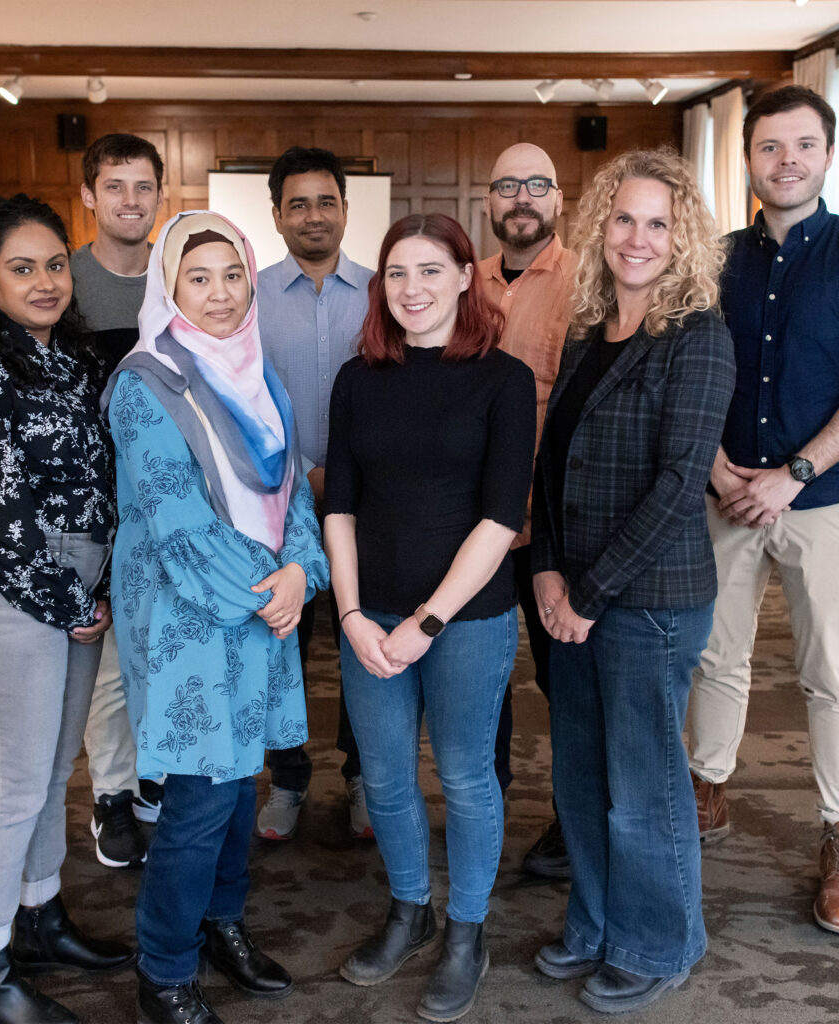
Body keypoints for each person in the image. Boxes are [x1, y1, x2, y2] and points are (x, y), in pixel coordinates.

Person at [104, 210, 329, 1024]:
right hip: (191, 619)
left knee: (240, 791)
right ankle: (162, 968)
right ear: (170, 288)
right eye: (198, 278)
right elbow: (175, 522)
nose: (222, 294)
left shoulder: (258, 373)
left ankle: (218, 926)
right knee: (199, 801)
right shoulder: (143, 382)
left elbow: (294, 488)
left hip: (262, 609)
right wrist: (273, 594)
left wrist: (303, 570)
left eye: (233, 274)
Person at [530, 149, 735, 1014]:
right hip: (568, 594)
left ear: (682, 236)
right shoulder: (585, 331)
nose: (638, 238)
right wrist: (543, 568)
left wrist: (587, 593)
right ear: (599, 228)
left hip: (647, 605)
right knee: (579, 777)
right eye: (623, 219)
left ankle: (659, 941)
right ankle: (598, 923)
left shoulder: (700, 337)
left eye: (658, 222)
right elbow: (552, 463)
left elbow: (678, 486)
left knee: (643, 789)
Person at [0, 194, 133, 1024]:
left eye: (54, 264)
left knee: (54, 771)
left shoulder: (73, 359)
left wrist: (99, 586)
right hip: (5, 593)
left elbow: (101, 480)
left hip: (78, 595)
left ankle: (41, 916)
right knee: (13, 782)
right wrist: (66, 600)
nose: (44, 282)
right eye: (21, 268)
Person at [325, 213, 535, 1022]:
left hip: (467, 619)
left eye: (429, 271)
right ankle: (410, 911)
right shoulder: (358, 379)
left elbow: (498, 519)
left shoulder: (502, 380)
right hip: (368, 615)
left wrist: (428, 621)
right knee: (382, 776)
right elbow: (337, 504)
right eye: (397, 274)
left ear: (462, 277)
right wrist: (348, 613)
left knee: (464, 778)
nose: (412, 289)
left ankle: (466, 931)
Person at [687, 85, 839, 933]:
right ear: (747, 159)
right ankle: (707, 788)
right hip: (726, 493)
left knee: (833, 676)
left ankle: (838, 831)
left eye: (803, 145)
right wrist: (714, 466)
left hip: (824, 500)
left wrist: (796, 471)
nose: (787, 161)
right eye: (770, 147)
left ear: (826, 153)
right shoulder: (716, 261)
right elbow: (692, 372)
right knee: (716, 656)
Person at [257, 145, 374, 840]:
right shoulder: (249, 295)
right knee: (283, 647)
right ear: (276, 216)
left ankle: (364, 777)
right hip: (279, 503)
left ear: (345, 210)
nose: (313, 216)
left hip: (370, 503)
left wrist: (349, 476)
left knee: (365, 643)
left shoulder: (383, 290)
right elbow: (246, 398)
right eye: (297, 203)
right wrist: (306, 470)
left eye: (325, 201)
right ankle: (288, 780)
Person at [478, 142, 577, 878]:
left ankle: (576, 822)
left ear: (557, 200)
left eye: (536, 185)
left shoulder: (589, 283)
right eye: (507, 185)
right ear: (489, 201)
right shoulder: (459, 282)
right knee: (480, 681)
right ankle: (487, 808)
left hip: (555, 529)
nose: (521, 197)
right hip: (475, 526)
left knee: (564, 680)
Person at [73, 132, 167, 869]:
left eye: (143, 186)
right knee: (106, 659)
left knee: (162, 647)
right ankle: (111, 794)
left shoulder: (176, 277)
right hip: (90, 502)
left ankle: (154, 779)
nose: (130, 200)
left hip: (164, 497)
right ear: (89, 195)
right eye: (115, 186)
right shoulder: (61, 281)